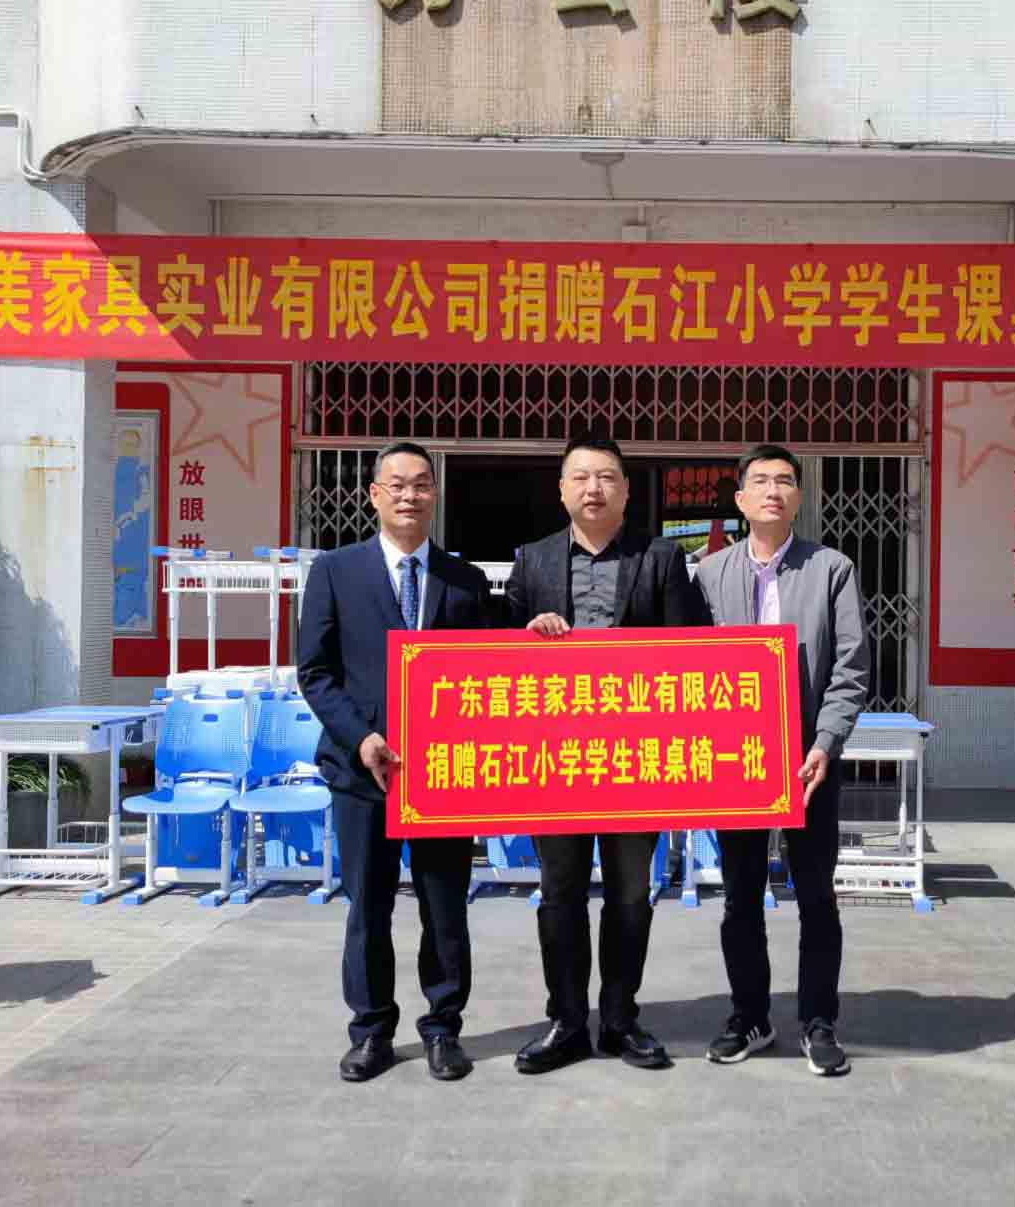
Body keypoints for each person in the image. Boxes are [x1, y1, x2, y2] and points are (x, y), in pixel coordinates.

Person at [504, 435, 710, 1074]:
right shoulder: (532, 560)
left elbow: (694, 652)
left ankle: (621, 1018)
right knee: (558, 892)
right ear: (561, 490)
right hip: (556, 762)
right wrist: (526, 635)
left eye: (607, 478)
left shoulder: (661, 559)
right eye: (581, 478)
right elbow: (496, 665)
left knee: (628, 895)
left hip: (637, 762)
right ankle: (566, 1020)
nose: (594, 489)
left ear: (625, 489)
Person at [298, 441, 492, 1083]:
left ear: (436, 494)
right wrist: (361, 739)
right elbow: (317, 672)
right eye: (397, 484)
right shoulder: (334, 570)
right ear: (375, 495)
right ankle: (372, 1031)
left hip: (443, 777)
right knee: (368, 907)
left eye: (422, 484)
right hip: (362, 775)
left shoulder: (465, 581)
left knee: (446, 909)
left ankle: (442, 1029)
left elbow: (491, 675)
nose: (410, 495)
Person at [696, 444, 869, 1077]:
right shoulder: (708, 575)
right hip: (737, 762)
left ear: (798, 498)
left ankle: (819, 1020)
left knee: (816, 895)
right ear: (739, 499)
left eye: (786, 482)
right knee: (740, 897)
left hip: (809, 759)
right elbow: (684, 668)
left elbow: (850, 669)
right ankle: (750, 1015)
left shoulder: (833, 570)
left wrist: (825, 743)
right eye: (760, 481)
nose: (773, 490)